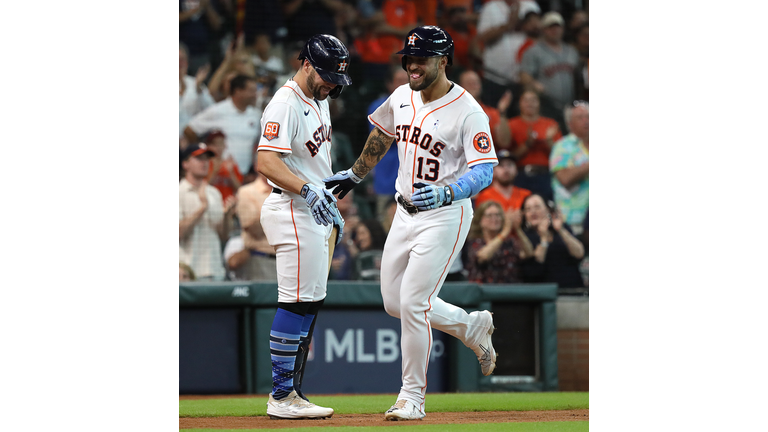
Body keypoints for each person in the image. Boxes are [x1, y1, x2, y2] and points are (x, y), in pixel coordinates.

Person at [324, 26, 499, 421]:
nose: (413, 65)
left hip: (444, 215)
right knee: (394, 302)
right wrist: (353, 175)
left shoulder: (468, 110)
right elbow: (382, 134)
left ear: (444, 60)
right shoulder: (402, 95)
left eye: (421, 58)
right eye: (409, 58)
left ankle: (412, 397)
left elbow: (485, 169)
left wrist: (451, 192)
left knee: (415, 303)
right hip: (403, 212)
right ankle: (470, 327)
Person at [256, 34, 350, 420]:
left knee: (309, 303)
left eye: (335, 78)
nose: (330, 84)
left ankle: (292, 391)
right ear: (306, 64)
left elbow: (303, 160)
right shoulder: (286, 102)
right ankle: (281, 395)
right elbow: (266, 161)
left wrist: (324, 183)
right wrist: (309, 187)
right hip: (292, 206)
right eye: (325, 75)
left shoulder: (319, 100)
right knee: (295, 302)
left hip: (312, 208)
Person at [179, 142, 237, 281]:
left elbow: (223, 235)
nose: (204, 163)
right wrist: (202, 208)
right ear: (185, 164)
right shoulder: (178, 192)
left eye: (206, 159)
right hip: (188, 271)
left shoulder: (214, 193)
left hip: (214, 268)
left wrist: (227, 216)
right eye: (199, 158)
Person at [184, 74, 263, 176]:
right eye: (251, 91)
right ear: (238, 91)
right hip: (218, 175)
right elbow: (189, 129)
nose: (255, 95)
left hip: (244, 175)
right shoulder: (218, 110)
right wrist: (203, 152)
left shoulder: (256, 115)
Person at [519, 11, 579, 132]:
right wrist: (534, 84)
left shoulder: (572, 51)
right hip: (546, 105)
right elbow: (523, 75)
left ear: (563, 28)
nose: (555, 30)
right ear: (543, 29)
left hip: (569, 105)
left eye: (557, 27)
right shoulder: (533, 51)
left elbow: (578, 77)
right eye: (550, 27)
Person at [367, 66, 409, 224]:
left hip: (412, 183)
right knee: (385, 227)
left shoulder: (422, 107)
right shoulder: (378, 107)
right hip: (387, 180)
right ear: (389, 84)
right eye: (400, 81)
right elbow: (384, 139)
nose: (405, 84)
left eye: (407, 80)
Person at [520, 193, 585, 288]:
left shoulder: (562, 228)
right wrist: (544, 239)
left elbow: (579, 254)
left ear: (548, 210)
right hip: (543, 292)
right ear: (524, 215)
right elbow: (536, 267)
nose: (533, 212)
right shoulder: (524, 236)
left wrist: (561, 229)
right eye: (528, 209)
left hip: (572, 289)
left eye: (537, 207)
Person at [507, 90, 561, 201]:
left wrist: (549, 141)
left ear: (539, 103)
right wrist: (527, 144)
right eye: (526, 100)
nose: (529, 103)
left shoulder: (550, 124)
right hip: (520, 175)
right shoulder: (512, 124)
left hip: (546, 176)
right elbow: (508, 156)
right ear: (520, 104)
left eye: (533, 100)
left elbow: (560, 157)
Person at [465, 201, 533, 283]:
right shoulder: (475, 241)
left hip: (510, 290)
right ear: (480, 221)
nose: (494, 219)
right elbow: (483, 257)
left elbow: (529, 253)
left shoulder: (509, 241)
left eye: (498, 215)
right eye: (489, 215)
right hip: (484, 291)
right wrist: (505, 231)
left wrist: (517, 229)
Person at [229, 173, 277, 281]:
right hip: (261, 259)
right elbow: (252, 229)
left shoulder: (289, 191)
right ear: (258, 165)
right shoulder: (246, 192)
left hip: (292, 259)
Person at [550, 101, 589, 234]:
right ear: (569, 124)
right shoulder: (563, 146)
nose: (586, 121)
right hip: (574, 218)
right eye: (580, 118)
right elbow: (565, 178)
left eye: (589, 116)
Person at [458, 70, 512, 151]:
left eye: (476, 83)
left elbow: (504, 143)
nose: (473, 86)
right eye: (469, 83)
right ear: (460, 87)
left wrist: (502, 112)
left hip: (488, 160)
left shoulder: (493, 113)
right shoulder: (452, 112)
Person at [179, 43, 214, 137]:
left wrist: (198, 90)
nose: (180, 64)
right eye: (178, 60)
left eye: (183, 60)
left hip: (192, 138)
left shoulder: (194, 83)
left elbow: (211, 109)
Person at [204, 130, 243, 203]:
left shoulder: (230, 164)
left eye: (221, 143)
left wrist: (231, 173)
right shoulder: (204, 164)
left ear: (225, 145)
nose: (218, 147)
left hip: (227, 204)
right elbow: (203, 188)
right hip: (210, 204)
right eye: (215, 144)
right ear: (208, 146)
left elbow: (239, 189)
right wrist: (214, 171)